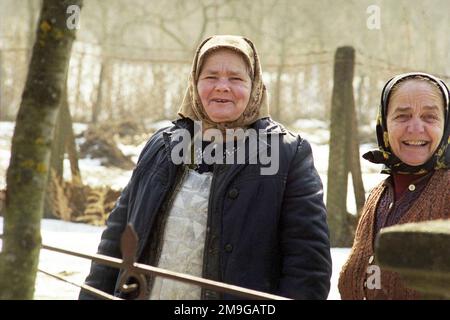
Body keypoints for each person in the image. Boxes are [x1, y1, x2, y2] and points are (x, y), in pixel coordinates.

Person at [79, 35, 332, 300]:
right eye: (211, 77)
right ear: (195, 83)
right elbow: (116, 240)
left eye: (235, 78)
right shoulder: (161, 146)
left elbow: (307, 264)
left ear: (254, 85)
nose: (222, 87)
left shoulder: (286, 153)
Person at [339, 72, 450, 300]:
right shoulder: (379, 195)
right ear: (384, 123)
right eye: (402, 116)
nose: (415, 128)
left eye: (429, 117)